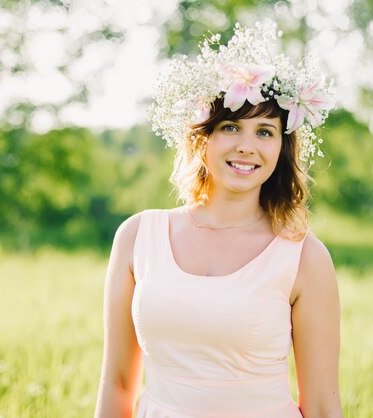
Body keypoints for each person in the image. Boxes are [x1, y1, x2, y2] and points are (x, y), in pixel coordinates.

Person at [95, 21, 343, 418]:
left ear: (282, 147)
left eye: (265, 132)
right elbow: (118, 384)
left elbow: (322, 403)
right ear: (201, 138)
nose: (247, 147)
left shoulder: (304, 257)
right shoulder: (138, 236)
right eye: (230, 127)